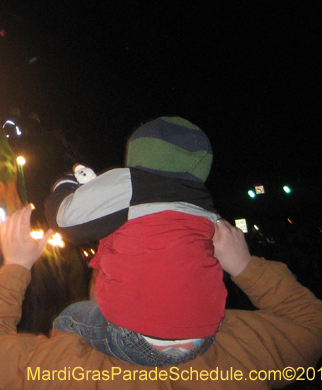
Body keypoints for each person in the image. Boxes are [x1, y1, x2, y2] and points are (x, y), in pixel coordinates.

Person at [0, 205, 322, 390]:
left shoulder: (71, 370)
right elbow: (316, 326)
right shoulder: (244, 351)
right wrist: (246, 266)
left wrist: (16, 265)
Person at [43, 116, 225, 366]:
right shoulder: (204, 205)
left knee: (67, 318)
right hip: (202, 337)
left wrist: (64, 184)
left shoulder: (129, 181)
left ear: (139, 151)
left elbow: (64, 219)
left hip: (137, 339)